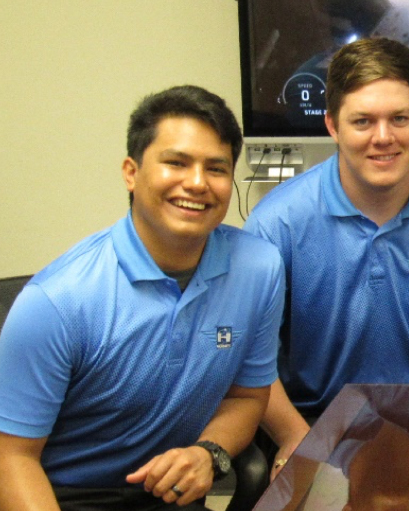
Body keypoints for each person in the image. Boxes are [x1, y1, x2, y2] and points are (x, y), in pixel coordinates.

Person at [0, 85, 284, 510]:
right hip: (65, 497)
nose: (197, 183)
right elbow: (12, 458)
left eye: (216, 168)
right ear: (131, 172)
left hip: (172, 495)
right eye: (176, 163)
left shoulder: (259, 268)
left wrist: (209, 452)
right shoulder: (57, 300)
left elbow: (247, 398)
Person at [244, 37, 409, 476]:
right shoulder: (277, 225)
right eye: (363, 121)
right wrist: (297, 439)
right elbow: (248, 361)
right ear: (332, 125)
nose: (383, 137)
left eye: (399, 119)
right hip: (316, 424)